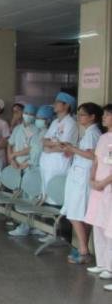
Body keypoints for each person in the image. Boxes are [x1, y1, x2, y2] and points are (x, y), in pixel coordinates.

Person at [59, 103, 103, 264]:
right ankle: (82, 249)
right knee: (79, 214)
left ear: (92, 117)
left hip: (83, 178)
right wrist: (73, 150)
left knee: (74, 214)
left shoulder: (93, 133)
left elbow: (92, 156)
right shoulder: (89, 133)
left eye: (83, 114)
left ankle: (83, 250)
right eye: (78, 114)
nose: (79, 117)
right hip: (79, 176)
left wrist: (72, 149)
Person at [7, 105, 54, 237]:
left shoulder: (43, 132)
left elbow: (36, 152)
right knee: (27, 197)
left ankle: (25, 227)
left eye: (39, 117)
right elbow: (33, 148)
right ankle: (30, 225)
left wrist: (27, 163)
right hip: (29, 167)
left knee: (31, 198)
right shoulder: (39, 132)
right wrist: (13, 158)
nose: (36, 119)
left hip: (33, 167)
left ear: (48, 120)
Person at [84, 104, 112, 290]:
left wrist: (103, 183)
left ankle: (110, 267)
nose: (104, 117)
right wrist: (92, 178)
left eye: (108, 115)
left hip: (108, 187)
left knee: (110, 228)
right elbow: (96, 160)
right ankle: (102, 263)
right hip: (98, 187)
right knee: (98, 224)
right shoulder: (103, 137)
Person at [40, 92, 79, 204]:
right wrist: (54, 144)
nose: (54, 104)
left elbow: (64, 145)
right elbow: (43, 140)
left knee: (55, 193)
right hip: (47, 161)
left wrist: (50, 147)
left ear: (66, 105)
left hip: (59, 162)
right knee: (45, 189)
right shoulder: (54, 122)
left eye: (57, 102)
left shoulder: (70, 123)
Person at [7, 104, 38, 170]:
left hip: (27, 164)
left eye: (31, 114)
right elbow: (10, 144)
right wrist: (11, 159)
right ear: (23, 113)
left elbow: (31, 148)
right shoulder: (17, 128)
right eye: (26, 113)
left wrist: (14, 154)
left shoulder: (36, 130)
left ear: (35, 116)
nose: (28, 116)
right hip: (15, 163)